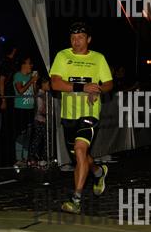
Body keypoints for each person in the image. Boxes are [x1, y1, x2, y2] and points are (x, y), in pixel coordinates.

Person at [49, 21, 113, 214]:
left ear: (89, 39)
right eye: (73, 38)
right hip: (68, 115)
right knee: (81, 157)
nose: (76, 42)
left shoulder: (98, 58)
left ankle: (75, 200)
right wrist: (83, 87)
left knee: (79, 150)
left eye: (81, 38)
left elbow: (109, 83)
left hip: (89, 113)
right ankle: (99, 172)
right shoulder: (63, 56)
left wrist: (98, 90)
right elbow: (55, 84)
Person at [13, 56, 38, 167]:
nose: (31, 65)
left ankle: (26, 158)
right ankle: (19, 159)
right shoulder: (18, 75)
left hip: (30, 108)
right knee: (21, 134)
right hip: (20, 108)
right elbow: (20, 90)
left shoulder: (30, 77)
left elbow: (35, 93)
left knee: (28, 134)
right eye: (29, 63)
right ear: (23, 64)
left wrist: (34, 82)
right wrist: (30, 81)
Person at [0, 45, 18, 165]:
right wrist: (3, 99)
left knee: (10, 128)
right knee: (6, 128)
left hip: (12, 98)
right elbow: (1, 82)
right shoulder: (6, 63)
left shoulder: (11, 62)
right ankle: (4, 158)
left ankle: (10, 156)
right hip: (8, 98)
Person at [29, 77, 51, 167]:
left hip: (42, 120)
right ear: (43, 84)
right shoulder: (40, 95)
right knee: (39, 140)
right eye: (48, 84)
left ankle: (40, 158)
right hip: (40, 120)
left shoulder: (44, 94)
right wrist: (48, 112)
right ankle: (34, 158)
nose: (50, 86)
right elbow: (40, 110)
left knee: (43, 140)